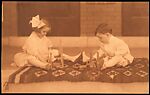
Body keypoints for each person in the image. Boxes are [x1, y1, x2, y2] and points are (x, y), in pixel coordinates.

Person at [13, 15, 80, 70]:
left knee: (56, 52)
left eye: (46, 32)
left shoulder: (44, 37)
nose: (45, 34)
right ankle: (44, 66)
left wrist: (51, 53)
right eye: (44, 32)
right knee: (31, 59)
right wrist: (45, 62)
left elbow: (48, 47)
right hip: (34, 56)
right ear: (37, 30)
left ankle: (71, 58)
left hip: (43, 54)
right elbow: (36, 54)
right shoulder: (31, 40)